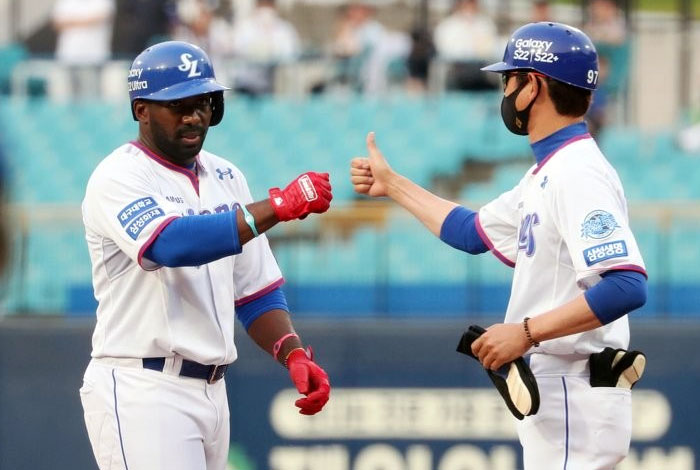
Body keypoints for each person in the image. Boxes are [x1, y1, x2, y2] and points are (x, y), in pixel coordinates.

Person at [350, 22, 647, 469]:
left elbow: (626, 286)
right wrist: (394, 186)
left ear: (534, 86)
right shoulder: (548, 172)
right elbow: (471, 233)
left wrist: (524, 333)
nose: (504, 92)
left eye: (510, 79)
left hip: (573, 384)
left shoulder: (576, 173)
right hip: (562, 391)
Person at [80, 41, 332, 470]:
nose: (193, 116)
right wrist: (278, 206)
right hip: (145, 386)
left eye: (203, 102)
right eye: (177, 105)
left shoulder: (227, 175)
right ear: (141, 109)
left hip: (213, 392)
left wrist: (293, 353)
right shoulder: (119, 174)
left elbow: (255, 291)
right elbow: (171, 244)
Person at [52, 0, 115, 98]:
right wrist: (83, 20)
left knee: (90, 98)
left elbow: (100, 17)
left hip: (93, 58)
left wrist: (70, 21)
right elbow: (57, 22)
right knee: (66, 99)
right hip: (68, 57)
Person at [432, 0, 499, 91]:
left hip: (481, 72)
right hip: (456, 73)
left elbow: (490, 47)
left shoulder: (485, 24)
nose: (469, 8)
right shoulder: (447, 26)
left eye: (472, 4)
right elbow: (445, 49)